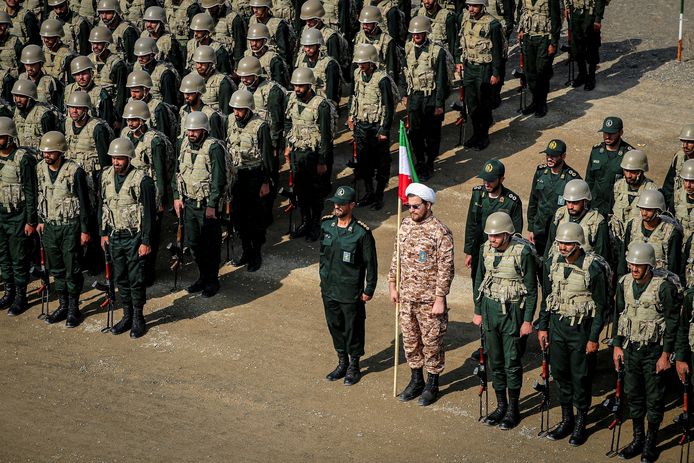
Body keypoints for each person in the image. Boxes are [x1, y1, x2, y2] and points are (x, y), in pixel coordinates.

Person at [538, 222, 608, 445]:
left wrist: (593, 338)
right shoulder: (551, 263)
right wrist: (543, 327)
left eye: (568, 243)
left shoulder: (593, 268)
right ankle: (567, 419)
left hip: (581, 330)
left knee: (581, 376)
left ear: (578, 244)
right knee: (559, 373)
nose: (563, 247)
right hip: (558, 327)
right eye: (560, 243)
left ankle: (581, 422)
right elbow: (548, 298)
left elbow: (601, 306)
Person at [613, 242, 680, 462]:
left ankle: (650, 442)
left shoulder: (664, 287)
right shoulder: (624, 284)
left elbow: (672, 322)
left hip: (653, 351)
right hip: (631, 348)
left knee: (654, 398)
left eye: (639, 265)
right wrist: (616, 346)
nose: (634, 268)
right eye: (632, 263)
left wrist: (665, 355)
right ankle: (637, 438)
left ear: (649, 266)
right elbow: (618, 316)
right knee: (633, 395)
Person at [389, 183, 454, 406]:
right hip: (407, 297)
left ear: (428, 205)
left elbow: (446, 268)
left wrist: (440, 298)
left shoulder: (440, 232)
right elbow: (396, 257)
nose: (412, 210)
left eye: (416, 206)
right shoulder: (405, 225)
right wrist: (392, 284)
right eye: (409, 206)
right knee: (410, 341)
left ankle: (432, 383)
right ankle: (416, 380)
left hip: (429, 301)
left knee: (432, 342)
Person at [473, 211, 537, 429]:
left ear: (508, 234)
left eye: (497, 235)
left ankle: (513, 409)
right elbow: (479, 280)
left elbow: (531, 290)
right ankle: (501, 406)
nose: (492, 239)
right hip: (490, 311)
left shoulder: (523, 252)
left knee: (512, 363)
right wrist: (478, 310)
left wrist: (528, 320)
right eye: (490, 235)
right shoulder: (485, 250)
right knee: (495, 362)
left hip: (512, 312)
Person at [99, 137, 157, 338]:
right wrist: (103, 233)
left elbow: (150, 214)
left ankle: (138, 318)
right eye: (114, 158)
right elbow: (103, 206)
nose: (116, 162)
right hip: (115, 235)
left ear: (129, 158)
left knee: (136, 278)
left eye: (120, 158)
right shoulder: (105, 176)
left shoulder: (143, 180)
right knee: (121, 277)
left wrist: (146, 241)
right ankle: (126, 315)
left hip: (134, 237)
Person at [320, 186, 377, 386]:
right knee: (335, 325)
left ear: (352, 205)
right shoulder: (327, 226)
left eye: (342, 204)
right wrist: (323, 280)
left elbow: (371, 264)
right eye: (336, 203)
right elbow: (322, 256)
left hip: (350, 290)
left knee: (353, 328)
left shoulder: (361, 233)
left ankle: (354, 365)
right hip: (329, 289)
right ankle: (341, 361)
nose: (337, 206)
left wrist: (369, 289)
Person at [36, 131, 91, 327]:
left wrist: (85, 230)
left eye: (51, 152)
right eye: (44, 152)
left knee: (72, 269)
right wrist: (40, 220)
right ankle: (63, 305)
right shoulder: (40, 169)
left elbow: (85, 203)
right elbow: (39, 194)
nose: (46, 155)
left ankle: (74, 309)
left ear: (60, 152)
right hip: (50, 226)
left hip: (70, 227)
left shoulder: (74, 171)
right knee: (57, 269)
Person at [172, 111, 229, 298]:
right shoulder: (183, 144)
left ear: (204, 130)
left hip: (206, 206)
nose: (191, 134)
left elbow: (218, 179)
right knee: (194, 245)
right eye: (189, 130)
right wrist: (177, 196)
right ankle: (202, 276)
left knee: (210, 246)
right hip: (188, 203)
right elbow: (176, 172)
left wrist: (213, 205)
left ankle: (212, 280)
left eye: (195, 130)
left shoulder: (214, 148)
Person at [122, 99, 172, 286]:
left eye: (134, 120)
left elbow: (160, 171)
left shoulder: (155, 140)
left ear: (143, 120)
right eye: (128, 119)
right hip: (131, 191)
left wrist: (160, 199)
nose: (130, 123)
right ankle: (134, 268)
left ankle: (147, 272)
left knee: (150, 233)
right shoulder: (125, 135)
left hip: (150, 190)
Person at [284, 67, 333, 242]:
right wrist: (288, 145)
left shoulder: (322, 105)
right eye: (295, 85)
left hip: (313, 155)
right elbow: (288, 122)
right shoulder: (292, 99)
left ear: (310, 85)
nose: (297, 89)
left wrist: (322, 160)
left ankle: (315, 224)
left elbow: (326, 136)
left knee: (315, 193)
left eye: (301, 86)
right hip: (298, 153)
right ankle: (305, 221)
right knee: (300, 191)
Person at [226, 89, 272, 272]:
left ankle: (256, 253)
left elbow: (268, 156)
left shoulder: (261, 127)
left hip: (254, 176)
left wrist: (266, 182)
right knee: (238, 217)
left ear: (249, 109)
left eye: (240, 110)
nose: (236, 113)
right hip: (236, 176)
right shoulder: (229, 121)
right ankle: (246, 250)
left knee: (255, 218)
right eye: (234, 109)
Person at [347, 44, 395, 211]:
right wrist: (350, 115)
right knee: (363, 162)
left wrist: (384, 129)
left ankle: (379, 194)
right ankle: (369, 192)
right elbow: (354, 96)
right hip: (361, 125)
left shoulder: (382, 79)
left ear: (372, 62)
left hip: (376, 127)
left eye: (364, 62)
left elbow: (389, 107)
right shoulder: (357, 74)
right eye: (359, 62)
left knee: (381, 163)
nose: (361, 65)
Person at [403, 15, 450, 179]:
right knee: (415, 133)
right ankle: (420, 161)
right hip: (414, 97)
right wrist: (404, 94)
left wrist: (439, 103)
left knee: (432, 133)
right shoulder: (408, 48)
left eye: (419, 33)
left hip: (431, 98)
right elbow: (404, 73)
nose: (416, 36)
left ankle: (430, 162)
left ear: (426, 33)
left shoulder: (437, 52)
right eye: (414, 33)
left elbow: (442, 79)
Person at [463, 159, 523, 286]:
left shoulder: (512, 201)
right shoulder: (478, 194)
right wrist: (469, 251)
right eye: (484, 179)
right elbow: (471, 224)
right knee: (477, 284)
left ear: (501, 179)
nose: (486, 183)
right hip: (479, 249)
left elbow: (516, 232)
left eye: (491, 180)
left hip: (500, 252)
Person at [0, 116, 37, 316]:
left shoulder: (23, 159)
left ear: (10, 137)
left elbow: (31, 192)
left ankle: (21, 296)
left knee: (18, 258)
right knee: (3, 257)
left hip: (18, 216)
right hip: (0, 215)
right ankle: (9, 292)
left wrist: (31, 220)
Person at [458, 0, 503, 150]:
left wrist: (496, 73)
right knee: (472, 105)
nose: (471, 9)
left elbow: (497, 50)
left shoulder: (493, 24)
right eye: (469, 5)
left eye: (475, 6)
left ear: (482, 6)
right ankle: (476, 134)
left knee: (483, 104)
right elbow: (460, 41)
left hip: (484, 69)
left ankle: (483, 136)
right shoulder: (465, 19)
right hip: (469, 67)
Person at [527, 139, 581, 256]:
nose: (549, 159)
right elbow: (534, 199)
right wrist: (531, 227)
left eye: (554, 156)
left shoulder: (572, 178)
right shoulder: (541, 172)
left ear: (563, 156)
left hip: (560, 229)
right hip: (540, 228)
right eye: (548, 155)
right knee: (539, 260)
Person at [618, 189, 682, 278]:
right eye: (642, 208)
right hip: (634, 277)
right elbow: (623, 258)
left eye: (648, 210)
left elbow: (673, 266)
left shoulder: (670, 233)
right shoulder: (632, 226)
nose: (644, 213)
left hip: (659, 281)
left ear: (658, 210)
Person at [544, 179, 609, 262]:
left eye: (575, 203)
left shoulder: (596, 222)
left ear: (585, 201)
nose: (570, 207)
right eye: (568, 202)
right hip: (558, 269)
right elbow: (550, 245)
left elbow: (602, 259)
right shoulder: (560, 215)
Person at [517, 0, 560, 117]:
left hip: (544, 38)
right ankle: (535, 101)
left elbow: (556, 18)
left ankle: (542, 103)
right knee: (530, 72)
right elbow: (520, 10)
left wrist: (554, 43)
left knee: (542, 71)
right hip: (528, 37)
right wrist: (520, 28)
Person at [584, 116, 634, 218]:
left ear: (621, 133)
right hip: (596, 206)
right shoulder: (596, 151)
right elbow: (589, 179)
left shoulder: (630, 154)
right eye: (605, 133)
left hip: (618, 207)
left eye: (611, 133)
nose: (607, 136)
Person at [609, 149, 658, 242]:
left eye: (633, 172)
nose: (628, 175)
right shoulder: (618, 186)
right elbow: (611, 210)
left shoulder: (652, 191)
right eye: (626, 171)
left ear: (641, 171)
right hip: (617, 239)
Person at [126, 69, 178, 144]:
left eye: (137, 92)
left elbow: (162, 138)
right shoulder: (130, 103)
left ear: (146, 90)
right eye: (131, 91)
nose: (133, 95)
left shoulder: (158, 108)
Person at [63, 55, 117, 127]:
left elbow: (107, 123)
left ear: (91, 73)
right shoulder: (68, 90)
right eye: (78, 74)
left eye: (84, 73)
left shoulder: (101, 94)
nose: (81, 77)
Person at [565, 0, 605, 91]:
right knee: (577, 47)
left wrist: (598, 19)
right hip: (575, 12)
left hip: (590, 14)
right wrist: (567, 7)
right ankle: (582, 74)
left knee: (591, 47)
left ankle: (591, 77)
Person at [294, 28, 341, 106]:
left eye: (311, 46)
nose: (307, 49)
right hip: (305, 103)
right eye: (306, 46)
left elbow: (332, 93)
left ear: (318, 46)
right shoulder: (300, 60)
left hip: (322, 104)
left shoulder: (329, 64)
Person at [88, 25, 128, 116]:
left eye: (99, 44)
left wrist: (118, 117)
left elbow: (121, 93)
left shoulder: (117, 64)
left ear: (106, 44)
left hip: (110, 110)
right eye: (93, 43)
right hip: (92, 107)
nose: (95, 47)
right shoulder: (88, 60)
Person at [353, 5, 399, 84]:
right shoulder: (359, 37)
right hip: (361, 78)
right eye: (363, 23)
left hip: (379, 79)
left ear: (376, 24)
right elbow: (355, 61)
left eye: (368, 24)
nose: (364, 26)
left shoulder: (387, 41)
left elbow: (391, 67)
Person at [11, 78, 61, 149]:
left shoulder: (45, 115)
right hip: (21, 155)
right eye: (16, 96)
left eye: (22, 97)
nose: (18, 100)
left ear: (30, 98)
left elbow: (51, 143)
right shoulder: (15, 112)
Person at [132, 38, 180, 108]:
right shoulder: (137, 67)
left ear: (152, 55)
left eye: (143, 56)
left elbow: (169, 103)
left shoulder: (165, 74)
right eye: (138, 56)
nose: (139, 59)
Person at [178, 72, 226, 140]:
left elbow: (216, 142)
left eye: (190, 93)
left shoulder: (211, 115)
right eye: (185, 93)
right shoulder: (183, 111)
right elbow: (179, 137)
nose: (186, 96)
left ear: (199, 94)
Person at [192, 45, 236, 116]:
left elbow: (226, 113)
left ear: (211, 64)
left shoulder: (222, 82)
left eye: (203, 63)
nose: (199, 66)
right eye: (197, 63)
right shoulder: (192, 78)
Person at [141, 5, 185, 76]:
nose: (149, 25)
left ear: (161, 23)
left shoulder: (170, 42)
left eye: (153, 22)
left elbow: (177, 67)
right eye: (147, 21)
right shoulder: (143, 36)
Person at [200, 0, 246, 66]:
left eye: (213, 7)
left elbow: (239, 43)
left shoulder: (234, 19)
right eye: (209, 8)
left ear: (220, 6)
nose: (210, 10)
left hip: (227, 58)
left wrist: (237, 64)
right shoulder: (207, 14)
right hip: (209, 55)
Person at [244, 23, 289, 89]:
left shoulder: (273, 59)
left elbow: (279, 86)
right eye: (252, 40)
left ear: (264, 41)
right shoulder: (247, 55)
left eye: (257, 41)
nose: (254, 44)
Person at [248, 0, 292, 66]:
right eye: (253, 7)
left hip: (272, 62)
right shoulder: (252, 20)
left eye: (259, 8)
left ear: (266, 8)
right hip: (255, 58)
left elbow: (283, 51)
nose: (255, 10)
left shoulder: (278, 24)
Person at [18, 44, 62, 109]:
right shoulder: (21, 79)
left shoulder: (51, 82)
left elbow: (58, 106)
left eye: (33, 64)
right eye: (27, 64)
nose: (29, 68)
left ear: (40, 63)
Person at [96, 0, 139, 65]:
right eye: (102, 13)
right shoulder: (102, 27)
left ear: (116, 13)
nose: (104, 16)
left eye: (108, 13)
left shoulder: (127, 31)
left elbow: (132, 61)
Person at [663, 124, 694, 211]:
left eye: (689, 142)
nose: (685, 145)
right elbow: (669, 185)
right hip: (677, 203)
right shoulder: (679, 157)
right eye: (683, 141)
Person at [40, 18, 77, 85]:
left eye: (49, 37)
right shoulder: (41, 52)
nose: (46, 40)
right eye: (44, 37)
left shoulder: (68, 56)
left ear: (58, 37)